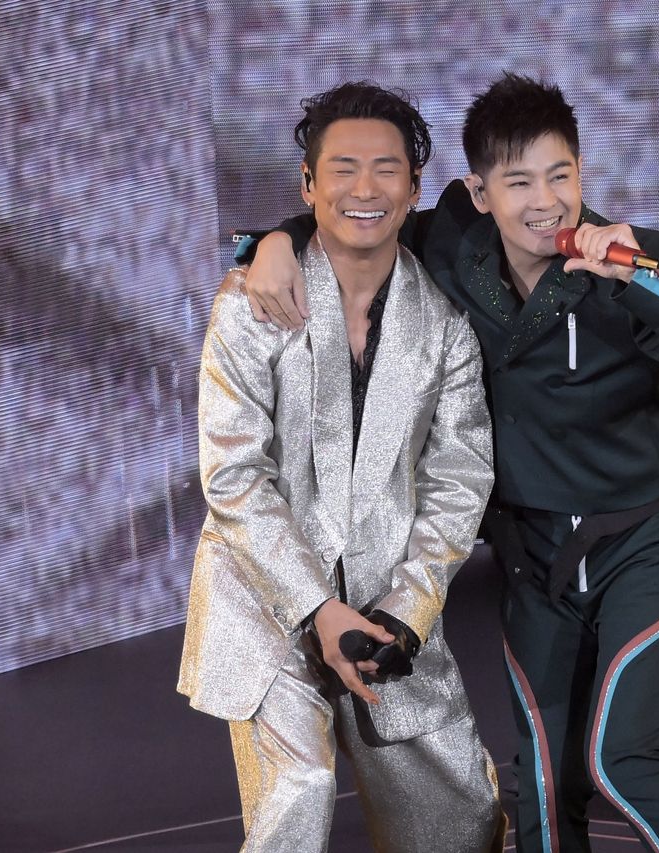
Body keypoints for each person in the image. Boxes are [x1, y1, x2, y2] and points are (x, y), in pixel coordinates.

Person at [241, 74, 659, 853]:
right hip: (535, 554)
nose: (546, 201)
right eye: (519, 182)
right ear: (479, 193)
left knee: (621, 762)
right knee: (544, 785)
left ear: (582, 174)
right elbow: (362, 222)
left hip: (646, 536)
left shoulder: (636, 258)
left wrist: (640, 278)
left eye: (561, 176)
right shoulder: (453, 242)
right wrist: (274, 242)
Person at [177, 81, 504, 853]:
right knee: (298, 790)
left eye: (386, 169)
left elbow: (459, 482)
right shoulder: (249, 301)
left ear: (415, 189)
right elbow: (233, 478)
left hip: (386, 603)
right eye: (343, 168)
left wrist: (404, 613)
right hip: (266, 600)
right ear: (308, 185)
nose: (365, 188)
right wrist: (318, 609)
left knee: (463, 816)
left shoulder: (445, 328)